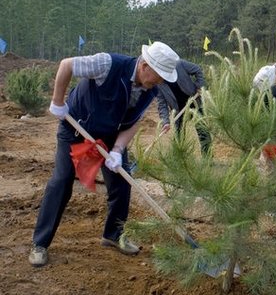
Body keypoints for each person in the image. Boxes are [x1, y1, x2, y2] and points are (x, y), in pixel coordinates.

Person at [29, 42, 180, 267]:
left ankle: (113, 235)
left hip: (110, 136)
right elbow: (66, 65)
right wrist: (57, 102)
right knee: (61, 181)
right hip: (76, 128)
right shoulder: (108, 64)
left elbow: (134, 121)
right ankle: (40, 244)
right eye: (158, 76)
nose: (159, 82)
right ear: (145, 66)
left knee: (122, 183)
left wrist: (118, 151)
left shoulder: (151, 89)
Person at [156, 59, 211, 154]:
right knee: (179, 136)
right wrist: (165, 121)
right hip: (178, 110)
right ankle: (179, 160)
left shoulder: (179, 64)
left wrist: (199, 86)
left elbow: (197, 70)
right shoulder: (158, 82)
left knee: (203, 131)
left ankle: (207, 159)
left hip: (194, 102)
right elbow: (162, 104)